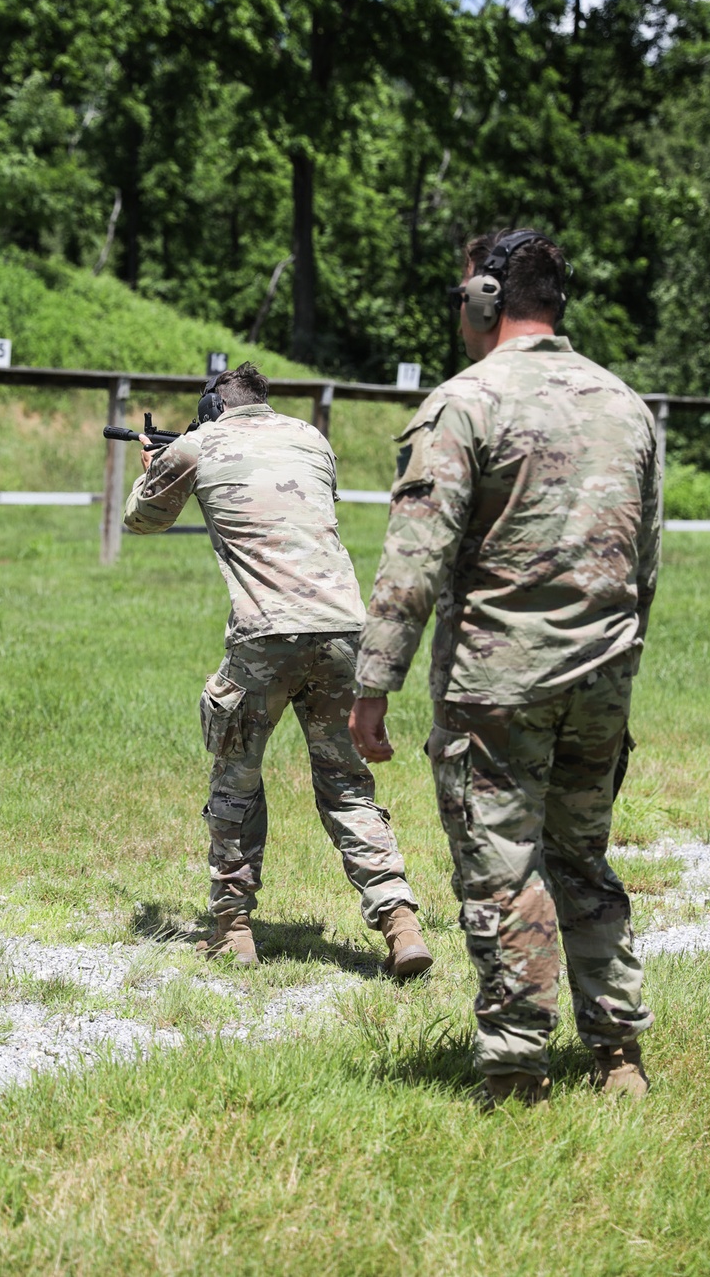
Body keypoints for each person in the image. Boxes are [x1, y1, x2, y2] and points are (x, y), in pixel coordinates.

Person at [349, 230, 661, 1106]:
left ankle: (518, 1065)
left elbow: (415, 558)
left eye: (462, 296)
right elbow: (645, 566)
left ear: (486, 299)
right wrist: (616, 661)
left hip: (498, 684)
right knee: (583, 859)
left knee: (503, 867)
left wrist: (374, 685)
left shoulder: (465, 403)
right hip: (601, 678)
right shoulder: (628, 406)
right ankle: (618, 1057)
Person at [123, 361, 433, 975]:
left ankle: (232, 927)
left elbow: (144, 518)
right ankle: (400, 921)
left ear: (213, 404)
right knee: (346, 785)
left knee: (235, 780)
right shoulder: (311, 438)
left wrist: (155, 468)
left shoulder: (199, 444)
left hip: (265, 636)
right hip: (344, 629)